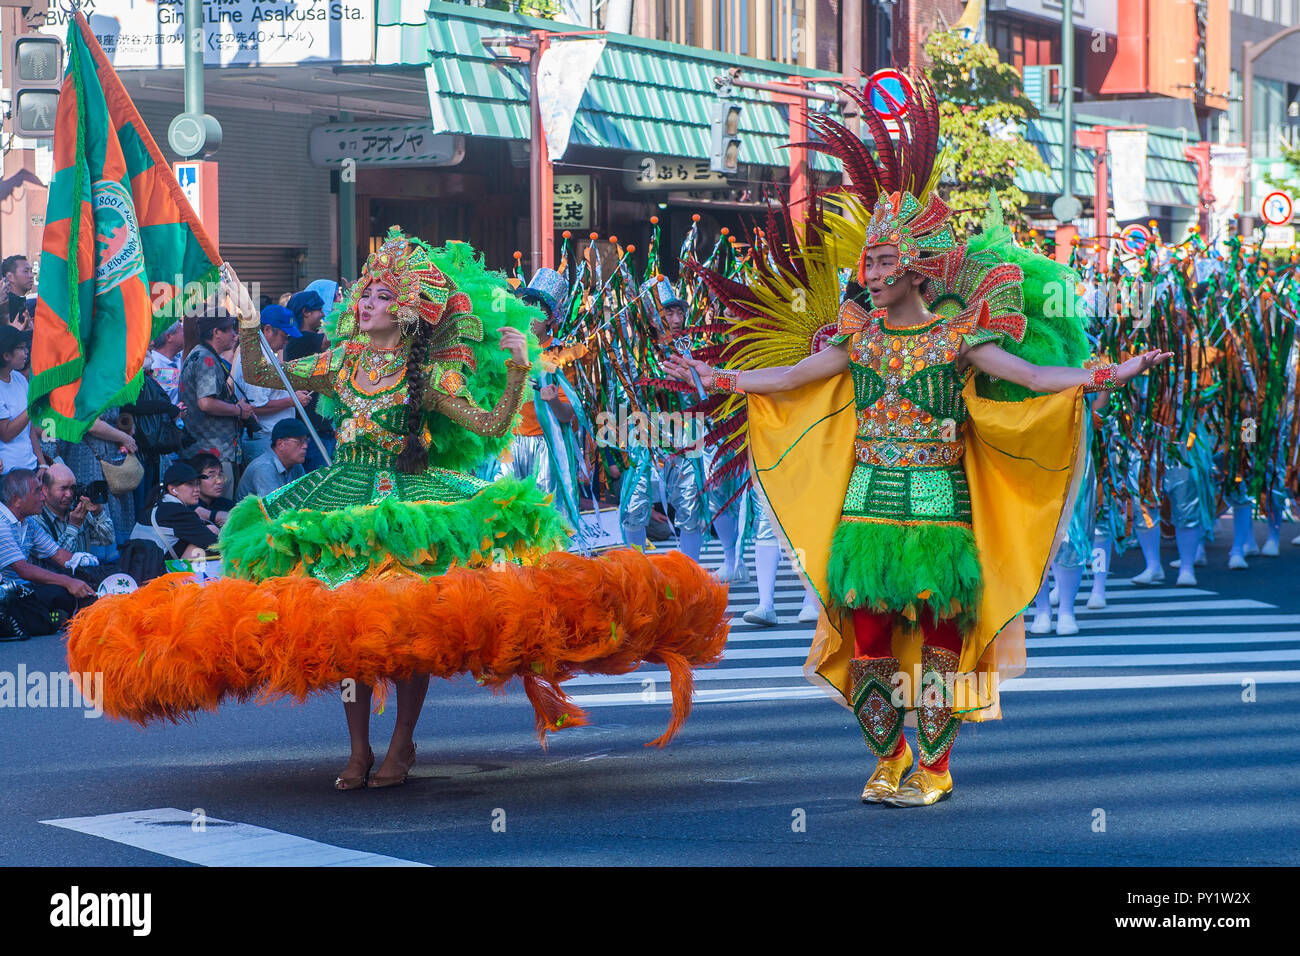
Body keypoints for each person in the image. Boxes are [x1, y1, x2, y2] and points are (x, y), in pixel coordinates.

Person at [67, 230, 730, 791]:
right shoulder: (343, 360)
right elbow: (265, 374)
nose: (372, 301)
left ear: (409, 312)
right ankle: (358, 748)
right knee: (351, 628)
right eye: (369, 293)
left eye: (386, 295)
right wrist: (245, 320)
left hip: (416, 503)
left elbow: (491, 419)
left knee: (405, 626)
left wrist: (523, 369)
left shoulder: (429, 373)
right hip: (346, 500)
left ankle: (402, 742)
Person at [667, 72, 1173, 808]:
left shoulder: (956, 335)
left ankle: (934, 767)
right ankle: (888, 756)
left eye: (880, 263)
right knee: (868, 638)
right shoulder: (859, 338)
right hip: (869, 505)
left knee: (940, 640)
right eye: (867, 263)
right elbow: (795, 377)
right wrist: (716, 378)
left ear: (912, 268)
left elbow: (1029, 376)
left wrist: (1107, 372)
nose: (868, 275)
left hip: (941, 505)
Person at [0, 468, 97, 638]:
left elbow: (58, 555)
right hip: (7, 595)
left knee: (73, 588)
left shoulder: (28, 521)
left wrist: (86, 565)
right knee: (56, 598)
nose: (42, 497)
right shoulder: (2, 523)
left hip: (22, 591)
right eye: (37, 492)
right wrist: (68, 581)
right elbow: (23, 569)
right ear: (16, 500)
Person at [180, 312, 253, 487]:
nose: (234, 334)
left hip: (209, 452)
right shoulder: (206, 358)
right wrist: (239, 411)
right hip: (212, 456)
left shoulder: (202, 354)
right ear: (216, 332)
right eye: (229, 329)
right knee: (221, 510)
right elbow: (206, 403)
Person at [232, 304, 311, 462]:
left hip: (274, 439)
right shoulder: (257, 358)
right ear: (267, 330)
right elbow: (256, 407)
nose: (286, 342)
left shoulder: (267, 355)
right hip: (266, 439)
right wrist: (292, 401)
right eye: (284, 336)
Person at [129, 462, 218, 560]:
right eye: (190, 484)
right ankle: (187, 576)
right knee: (209, 535)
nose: (197, 489)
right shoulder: (177, 512)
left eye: (198, 484)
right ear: (172, 489)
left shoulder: (161, 505)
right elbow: (214, 543)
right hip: (155, 570)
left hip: (139, 567)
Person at [32, 463, 115, 556]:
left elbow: (108, 539)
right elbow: (60, 560)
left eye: (72, 488)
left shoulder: (77, 510)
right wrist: (74, 526)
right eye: (63, 488)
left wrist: (98, 513)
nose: (69, 494)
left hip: (85, 569)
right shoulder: (36, 520)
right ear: (45, 490)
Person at [0, 326, 47, 473]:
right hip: (8, 472)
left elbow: (29, 428)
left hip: (30, 466)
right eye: (21, 348)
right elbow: (6, 434)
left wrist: (42, 463)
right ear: (6, 355)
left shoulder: (19, 378)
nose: (26, 352)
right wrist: (32, 406)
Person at [235, 418, 309, 500]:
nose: (305, 446)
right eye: (299, 441)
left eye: (306, 441)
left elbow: (306, 498)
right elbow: (276, 508)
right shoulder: (263, 468)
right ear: (280, 444)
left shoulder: (295, 464)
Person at [189, 451, 235, 528]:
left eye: (220, 475)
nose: (219, 481)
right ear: (196, 479)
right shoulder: (187, 507)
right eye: (211, 476)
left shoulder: (228, 505)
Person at [147, 321, 185, 404]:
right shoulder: (157, 366)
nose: (186, 334)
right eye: (183, 331)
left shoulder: (177, 357)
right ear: (169, 337)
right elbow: (167, 401)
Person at [2, 254, 33, 329]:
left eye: (31, 271)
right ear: (10, 277)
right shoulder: (6, 307)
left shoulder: (21, 302)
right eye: (26, 271)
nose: (31, 275)